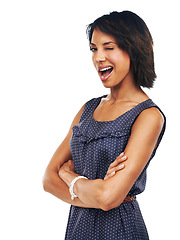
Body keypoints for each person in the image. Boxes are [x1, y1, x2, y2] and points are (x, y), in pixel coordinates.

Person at [43, 11, 166, 239]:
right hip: (78, 228)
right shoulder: (87, 108)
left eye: (109, 48)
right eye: (94, 49)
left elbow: (109, 198)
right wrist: (97, 194)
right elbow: (49, 179)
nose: (99, 57)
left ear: (133, 49)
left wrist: (70, 177)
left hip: (121, 230)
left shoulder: (148, 116)